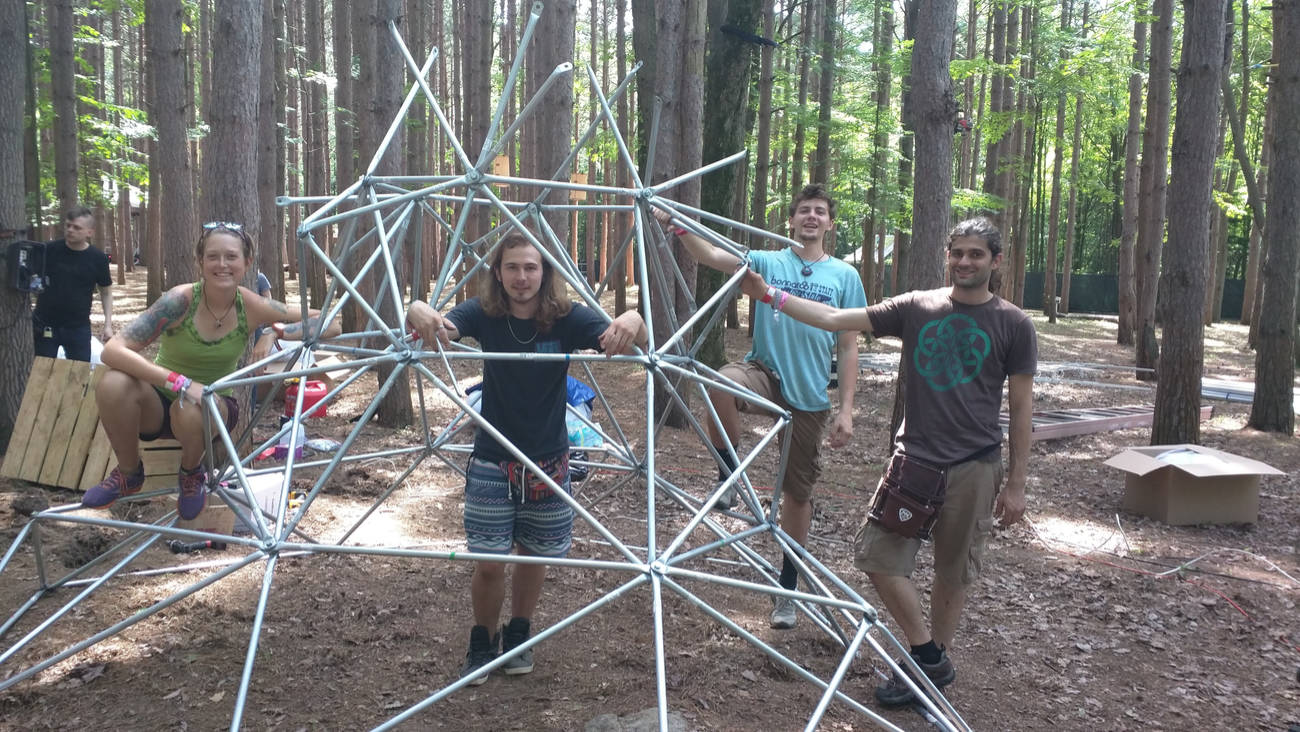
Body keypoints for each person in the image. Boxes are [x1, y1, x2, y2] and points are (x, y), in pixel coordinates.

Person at [738, 216, 1035, 707]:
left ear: (995, 261)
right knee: (876, 558)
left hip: (976, 465)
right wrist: (769, 294)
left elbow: (1023, 408)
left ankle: (929, 662)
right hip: (914, 460)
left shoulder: (1013, 324)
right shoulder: (918, 306)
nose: (964, 262)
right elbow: (835, 320)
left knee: (952, 570)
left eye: (976, 254)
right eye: (957, 252)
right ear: (947, 255)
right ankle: (926, 654)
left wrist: (1018, 482)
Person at [407, 231, 647, 685]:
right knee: (491, 560)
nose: (522, 277)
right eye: (512, 267)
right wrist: (416, 309)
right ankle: (482, 642)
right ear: (498, 273)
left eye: (531, 267)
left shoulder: (566, 318)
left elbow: (626, 340)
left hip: (548, 460)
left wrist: (634, 317)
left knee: (534, 555)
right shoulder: (484, 313)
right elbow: (441, 326)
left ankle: (518, 635)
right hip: (493, 458)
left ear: (545, 273)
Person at [654, 183, 867, 630]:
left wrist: (845, 409)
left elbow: (848, 347)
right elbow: (711, 255)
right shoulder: (769, 260)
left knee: (797, 495)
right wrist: (676, 226)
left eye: (820, 212)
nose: (811, 217)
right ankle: (729, 472)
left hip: (809, 394)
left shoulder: (845, 277)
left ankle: (786, 590)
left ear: (829, 223)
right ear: (791, 220)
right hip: (763, 374)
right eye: (804, 210)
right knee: (719, 381)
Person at [81, 222, 341, 520]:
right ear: (200, 261)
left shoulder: (251, 306)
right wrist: (179, 382)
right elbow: (113, 350)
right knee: (112, 382)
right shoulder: (180, 301)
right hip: (161, 400)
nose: (222, 264)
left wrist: (275, 331)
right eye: (213, 256)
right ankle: (129, 473)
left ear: (247, 263)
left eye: (231, 256)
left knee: (193, 407)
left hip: (213, 409)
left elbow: (330, 322)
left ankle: (191, 473)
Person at [32, 207, 113, 361]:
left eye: (77, 227)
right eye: (68, 225)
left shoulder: (98, 259)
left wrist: (108, 324)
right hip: (45, 324)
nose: (70, 230)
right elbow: (30, 276)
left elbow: (106, 292)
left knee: (79, 376)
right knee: (40, 375)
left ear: (90, 232)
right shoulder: (48, 250)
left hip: (78, 327)